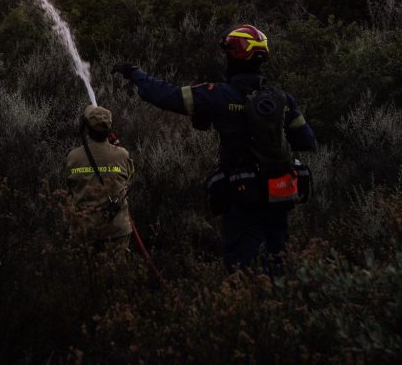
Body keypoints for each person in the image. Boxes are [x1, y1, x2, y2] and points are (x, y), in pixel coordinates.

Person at [113, 24, 315, 274]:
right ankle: (277, 296)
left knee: (243, 265)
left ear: (234, 57)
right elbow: (306, 141)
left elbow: (167, 95)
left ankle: (248, 296)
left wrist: (136, 74)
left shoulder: (218, 95)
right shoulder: (282, 99)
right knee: (279, 260)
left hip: (243, 197)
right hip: (279, 195)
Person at [64, 105, 134, 252]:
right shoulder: (122, 155)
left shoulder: (73, 157)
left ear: (87, 129)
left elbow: (68, 187)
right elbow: (129, 178)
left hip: (84, 230)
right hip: (117, 230)